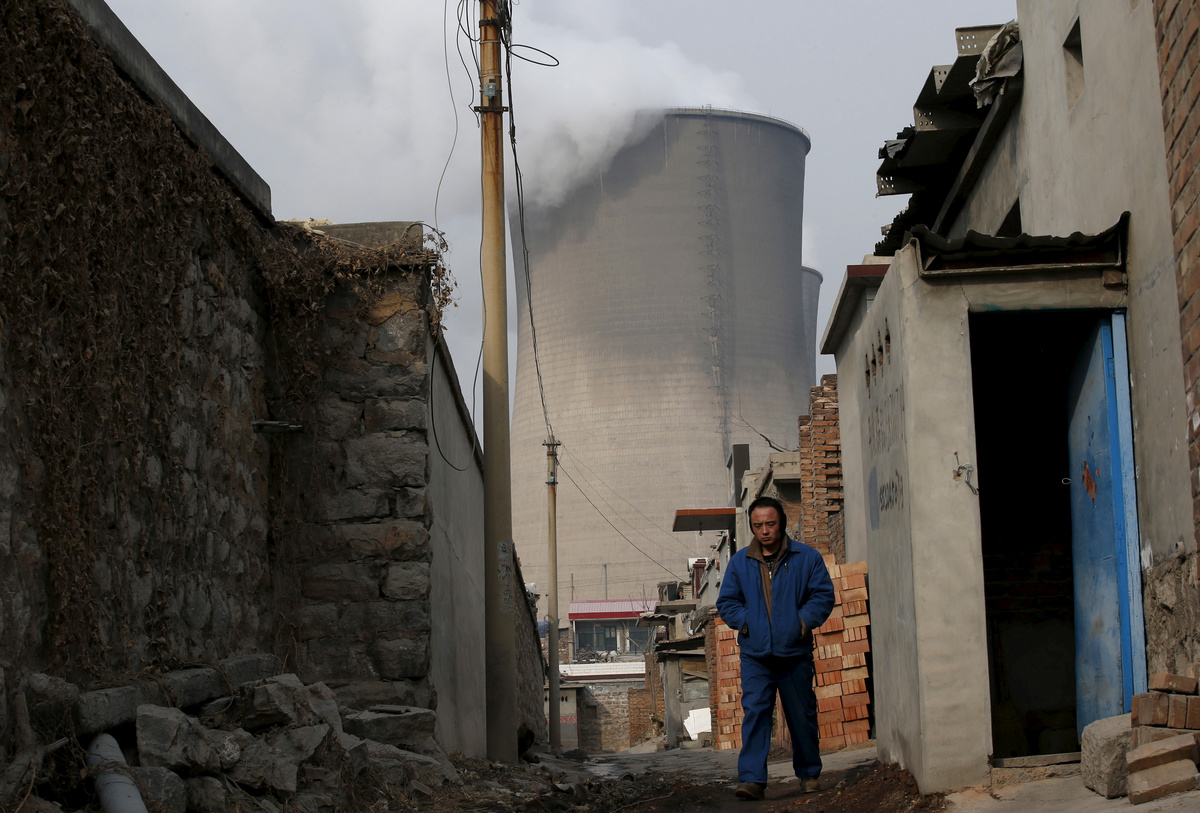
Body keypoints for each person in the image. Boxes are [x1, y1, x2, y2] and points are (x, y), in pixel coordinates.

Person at [716, 496, 835, 801]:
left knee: (801, 714)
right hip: (756, 655)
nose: (765, 531)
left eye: (770, 524)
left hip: (794, 652)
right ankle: (752, 780)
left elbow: (822, 596)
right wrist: (747, 623)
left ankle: (809, 774)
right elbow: (727, 602)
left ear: (781, 522)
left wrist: (802, 623)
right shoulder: (740, 563)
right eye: (758, 525)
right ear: (751, 527)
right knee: (755, 713)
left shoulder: (806, 558)